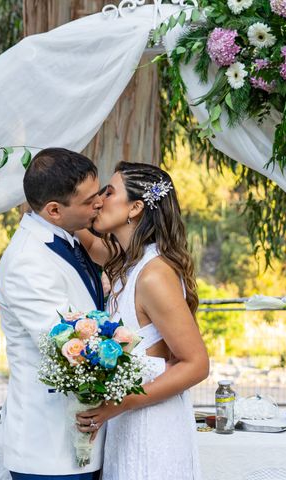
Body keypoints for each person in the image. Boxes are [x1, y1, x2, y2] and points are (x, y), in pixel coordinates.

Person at [76, 161, 209, 480]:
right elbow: (92, 244)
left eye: (109, 192)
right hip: (129, 422)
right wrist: (61, 203)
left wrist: (116, 405)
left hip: (152, 428)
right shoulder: (130, 263)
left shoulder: (154, 275)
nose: (100, 200)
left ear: (135, 207)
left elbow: (197, 364)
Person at [0, 148, 105, 480]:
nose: (98, 204)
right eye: (89, 201)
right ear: (54, 210)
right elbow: (67, 348)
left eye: (99, 194)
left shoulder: (66, 240)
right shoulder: (28, 261)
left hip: (77, 437)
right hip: (50, 445)